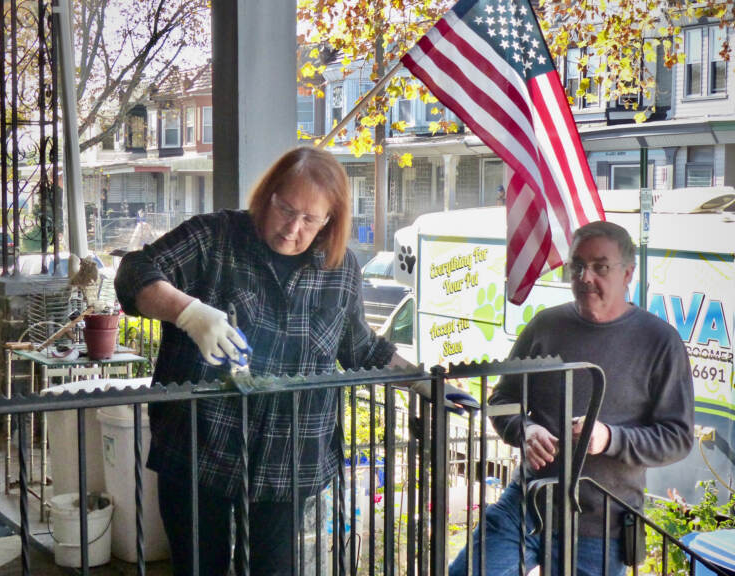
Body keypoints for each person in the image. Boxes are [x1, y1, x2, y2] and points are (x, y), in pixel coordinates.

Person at [114, 147, 408, 575]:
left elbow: (358, 345)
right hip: (199, 449)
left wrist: (421, 380)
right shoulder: (214, 237)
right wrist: (190, 313)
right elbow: (134, 272)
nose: (293, 229)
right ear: (267, 195)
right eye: (286, 209)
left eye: (310, 219)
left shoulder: (340, 268)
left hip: (290, 462)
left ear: (331, 220)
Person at [449, 221, 694, 576]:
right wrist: (525, 429)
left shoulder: (660, 342)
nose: (585, 276)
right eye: (576, 265)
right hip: (527, 504)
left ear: (628, 273)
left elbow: (678, 437)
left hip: (603, 525)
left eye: (600, 266)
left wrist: (609, 438)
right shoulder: (544, 327)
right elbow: (502, 399)